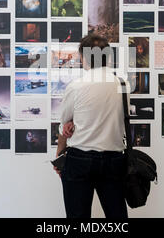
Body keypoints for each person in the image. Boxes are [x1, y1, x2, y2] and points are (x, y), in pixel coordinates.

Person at [55, 34, 129, 219]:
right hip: (114, 160)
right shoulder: (123, 84)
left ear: (84, 57)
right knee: (117, 218)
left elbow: (64, 125)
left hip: (80, 159)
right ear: (108, 57)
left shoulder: (76, 86)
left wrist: (59, 152)